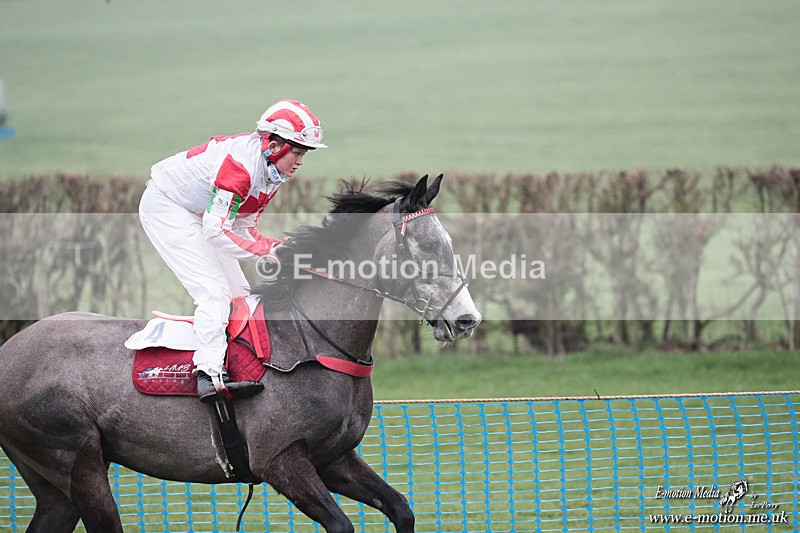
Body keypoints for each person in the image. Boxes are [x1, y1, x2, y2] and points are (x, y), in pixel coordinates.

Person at [139, 99, 327, 402]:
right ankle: (208, 375)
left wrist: (274, 246)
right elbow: (216, 231)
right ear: (273, 144)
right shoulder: (241, 166)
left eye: (303, 153)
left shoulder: (271, 172)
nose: (300, 161)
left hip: (199, 213)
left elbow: (242, 228)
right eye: (296, 151)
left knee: (241, 294)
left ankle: (234, 366)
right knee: (215, 293)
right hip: (167, 207)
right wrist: (266, 252)